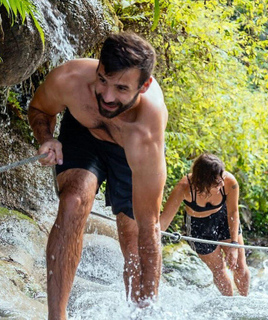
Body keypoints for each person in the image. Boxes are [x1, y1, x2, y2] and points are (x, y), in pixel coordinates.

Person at [27, 32, 167, 318]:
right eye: (102, 79)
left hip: (129, 150)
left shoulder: (147, 130)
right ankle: (57, 316)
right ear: (98, 66)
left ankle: (140, 311)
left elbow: (149, 227)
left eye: (121, 88)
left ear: (144, 85)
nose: (107, 96)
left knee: (132, 236)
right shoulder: (71, 79)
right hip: (83, 133)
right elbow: (40, 108)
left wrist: (150, 308)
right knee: (72, 203)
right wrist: (46, 137)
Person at [160, 153, 250, 296]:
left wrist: (234, 245)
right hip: (199, 226)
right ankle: (231, 303)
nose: (222, 183)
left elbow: (233, 213)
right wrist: (149, 241)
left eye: (222, 178)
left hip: (224, 218)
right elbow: (164, 221)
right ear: (203, 182)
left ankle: (245, 300)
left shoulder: (229, 181)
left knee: (239, 265)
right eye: (216, 182)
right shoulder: (184, 187)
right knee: (219, 270)